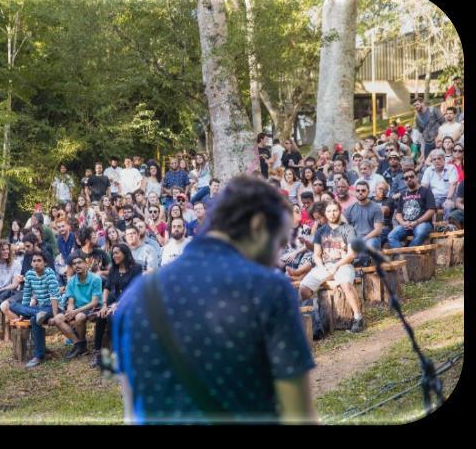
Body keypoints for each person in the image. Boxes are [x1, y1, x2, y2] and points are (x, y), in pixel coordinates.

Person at [111, 175, 317, 424]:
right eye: (279, 243)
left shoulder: (135, 297)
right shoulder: (268, 288)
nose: (277, 259)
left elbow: (133, 413)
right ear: (258, 225)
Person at [299, 200, 364, 333]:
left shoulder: (348, 229)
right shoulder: (320, 231)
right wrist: (321, 266)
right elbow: (317, 255)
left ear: (339, 211)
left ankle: (358, 318)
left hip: (343, 264)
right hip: (325, 266)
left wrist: (336, 266)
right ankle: (312, 318)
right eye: (329, 211)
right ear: (325, 213)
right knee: (303, 289)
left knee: (345, 284)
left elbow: (352, 254)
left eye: (335, 210)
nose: (332, 214)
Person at [6, 251, 62, 368]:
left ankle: (38, 356)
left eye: (39, 261)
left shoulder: (49, 273)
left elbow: (54, 296)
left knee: (35, 320)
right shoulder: (30, 275)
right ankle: (38, 314)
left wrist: (55, 315)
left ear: (45, 263)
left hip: (53, 306)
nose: (36, 263)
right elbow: (26, 295)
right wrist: (22, 314)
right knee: (12, 305)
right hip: (40, 308)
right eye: (34, 261)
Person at [92, 243, 142, 368]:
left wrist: (117, 305)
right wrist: (104, 304)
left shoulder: (136, 268)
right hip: (113, 300)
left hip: (130, 303)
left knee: (112, 317)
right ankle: (97, 352)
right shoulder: (113, 269)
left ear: (125, 253)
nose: (114, 256)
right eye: (113, 253)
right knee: (101, 316)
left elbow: (134, 290)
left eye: (117, 253)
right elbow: (107, 288)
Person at [53, 252, 103, 359]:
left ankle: (82, 342)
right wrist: (70, 311)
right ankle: (78, 344)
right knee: (58, 319)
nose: (77, 265)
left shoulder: (95, 279)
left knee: (79, 317)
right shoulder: (71, 281)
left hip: (93, 308)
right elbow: (71, 301)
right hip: (78, 308)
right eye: (74, 264)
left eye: (80, 262)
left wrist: (75, 312)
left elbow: (94, 302)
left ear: (86, 264)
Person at [388, 168, 436, 248]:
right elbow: (398, 214)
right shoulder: (403, 194)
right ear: (404, 181)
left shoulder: (426, 191)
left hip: (422, 223)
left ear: (417, 177)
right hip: (406, 225)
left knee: (420, 232)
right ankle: (402, 255)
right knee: (391, 236)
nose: (409, 179)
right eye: (406, 178)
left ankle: (409, 253)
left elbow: (431, 210)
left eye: (411, 176)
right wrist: (403, 223)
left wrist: (416, 222)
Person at [344, 181, 383, 252]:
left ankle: (363, 262)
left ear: (368, 192)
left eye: (363, 190)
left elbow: (378, 230)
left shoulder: (376, 208)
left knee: (369, 244)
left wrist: (364, 239)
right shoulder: (350, 209)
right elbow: (346, 228)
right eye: (358, 190)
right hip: (355, 239)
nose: (360, 192)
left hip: (371, 238)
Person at [421, 149, 459, 216]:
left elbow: (453, 184)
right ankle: (432, 226)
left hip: (449, 196)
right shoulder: (428, 170)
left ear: (444, 159)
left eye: (439, 158)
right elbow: (424, 186)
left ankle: (446, 226)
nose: (436, 161)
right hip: (434, 197)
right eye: (434, 159)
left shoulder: (451, 168)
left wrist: (449, 198)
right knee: (428, 206)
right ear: (432, 161)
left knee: (448, 206)